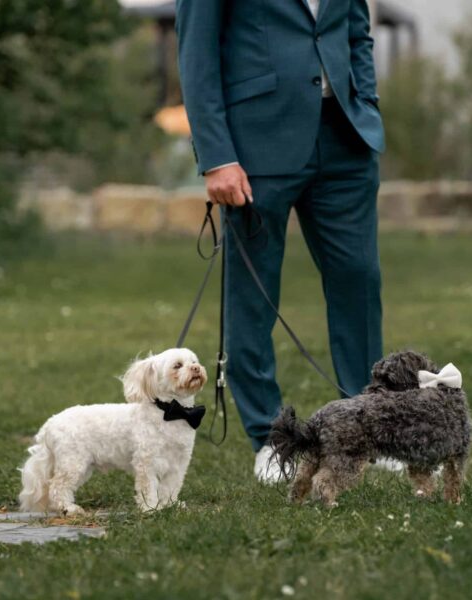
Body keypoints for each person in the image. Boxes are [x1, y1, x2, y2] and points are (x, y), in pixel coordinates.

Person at [176, 0, 385, 483]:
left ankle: (371, 426)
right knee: (253, 298)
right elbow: (196, 54)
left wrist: (365, 101)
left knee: (360, 279)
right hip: (255, 147)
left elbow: (357, 31)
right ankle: (271, 441)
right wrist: (216, 155)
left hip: (345, 142)